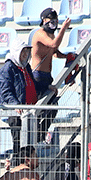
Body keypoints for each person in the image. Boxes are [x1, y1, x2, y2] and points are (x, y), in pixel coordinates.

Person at [31, 8, 71, 142]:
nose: (53, 23)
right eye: (51, 20)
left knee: (53, 107)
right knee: (39, 110)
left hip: (47, 76)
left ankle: (41, 134)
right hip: (37, 76)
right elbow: (53, 44)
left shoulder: (51, 35)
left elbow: (54, 51)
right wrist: (64, 28)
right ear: (44, 20)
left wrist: (67, 56)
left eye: (55, 20)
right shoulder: (40, 34)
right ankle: (35, 136)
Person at [0, 41, 38, 154]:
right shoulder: (7, 69)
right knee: (19, 144)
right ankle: (17, 167)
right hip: (17, 113)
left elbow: (32, 83)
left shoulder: (26, 67)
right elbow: (5, 92)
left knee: (29, 145)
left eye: (26, 52)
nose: (25, 55)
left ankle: (26, 168)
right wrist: (15, 104)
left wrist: (47, 86)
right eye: (22, 52)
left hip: (29, 111)